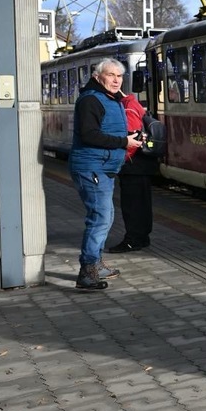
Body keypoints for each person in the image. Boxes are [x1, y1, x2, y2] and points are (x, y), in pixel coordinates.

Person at [69, 59, 144, 291]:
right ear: (97, 76)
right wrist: (124, 141)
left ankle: (96, 264)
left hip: (104, 167)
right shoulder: (91, 100)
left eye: (119, 76)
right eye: (110, 75)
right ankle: (87, 272)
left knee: (106, 216)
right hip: (92, 167)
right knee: (99, 218)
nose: (116, 80)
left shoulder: (110, 99)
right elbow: (89, 134)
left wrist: (130, 137)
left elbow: (107, 130)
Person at [107, 91, 159, 253]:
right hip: (141, 165)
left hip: (133, 165)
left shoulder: (127, 107)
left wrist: (120, 160)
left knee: (132, 206)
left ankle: (133, 240)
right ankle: (142, 238)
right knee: (142, 205)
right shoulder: (132, 104)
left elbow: (132, 137)